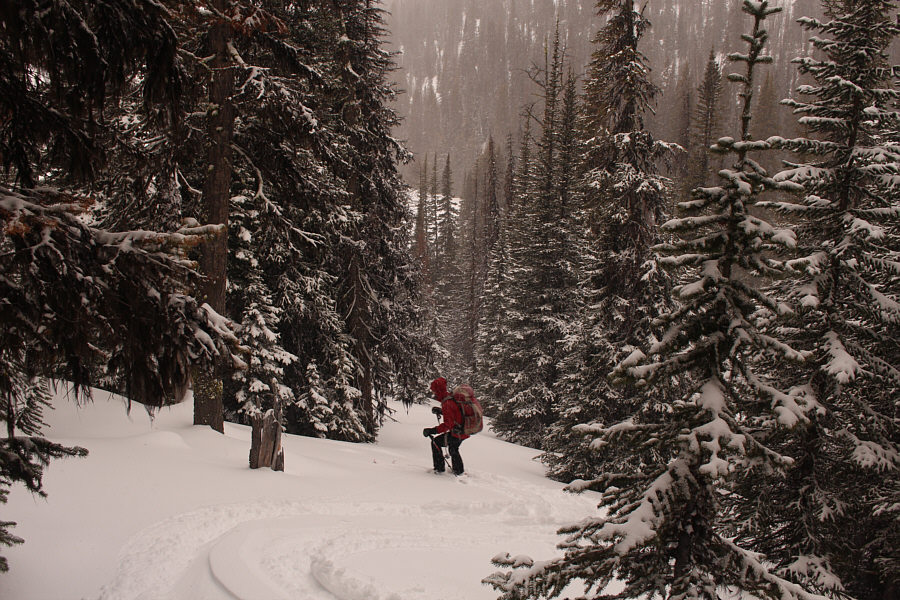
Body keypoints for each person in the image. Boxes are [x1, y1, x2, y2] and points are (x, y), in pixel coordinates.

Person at [422, 377, 467, 475]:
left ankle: (439, 469)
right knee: (453, 447)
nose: (434, 393)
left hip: (458, 431)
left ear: (438, 390)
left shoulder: (447, 402)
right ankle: (458, 470)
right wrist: (441, 412)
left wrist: (432, 430)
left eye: (434, 391)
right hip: (464, 429)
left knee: (436, 442)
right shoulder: (450, 397)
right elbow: (454, 414)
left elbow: (448, 425)